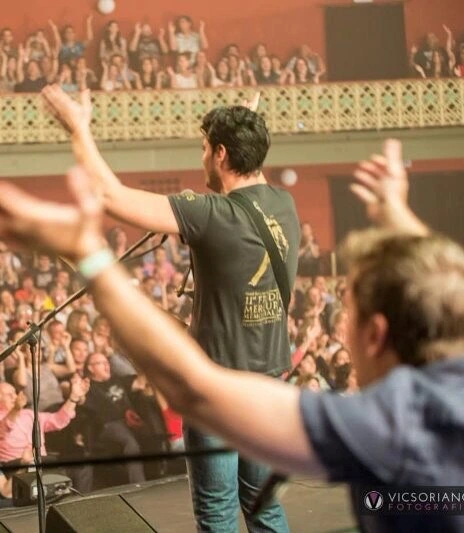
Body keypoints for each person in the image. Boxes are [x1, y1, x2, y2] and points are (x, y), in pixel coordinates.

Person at [0, 136, 464, 532]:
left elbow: (194, 387)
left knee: (220, 510)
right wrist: (397, 215)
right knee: (270, 506)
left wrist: (87, 255)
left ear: (376, 334)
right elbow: (452, 295)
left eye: (350, 315)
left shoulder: (384, 427)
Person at [41, 85, 296, 532]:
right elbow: (245, 167)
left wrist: (79, 129)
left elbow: (110, 196)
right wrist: (243, 122)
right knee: (265, 509)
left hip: (217, 391)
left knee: (217, 515)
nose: (201, 159)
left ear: (220, 154)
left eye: (205, 149)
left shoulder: (212, 214)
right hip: (270, 386)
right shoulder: (283, 203)